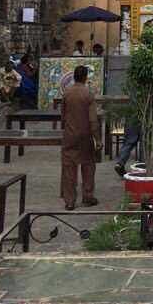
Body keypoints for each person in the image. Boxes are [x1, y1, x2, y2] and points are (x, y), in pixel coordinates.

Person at [60, 65, 101, 210]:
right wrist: (98, 139)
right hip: (85, 136)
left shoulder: (67, 94)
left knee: (69, 168)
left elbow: (63, 117)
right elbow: (93, 120)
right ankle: (87, 197)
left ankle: (70, 201)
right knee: (88, 165)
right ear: (85, 77)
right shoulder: (88, 95)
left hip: (70, 135)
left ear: (74, 77)